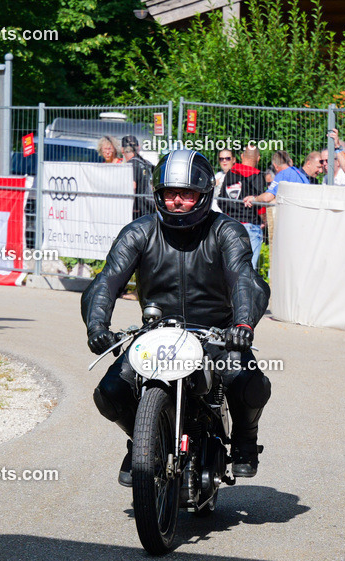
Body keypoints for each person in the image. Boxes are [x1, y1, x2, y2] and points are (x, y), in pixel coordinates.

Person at [82, 149, 272, 484]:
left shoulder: (226, 231)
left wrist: (242, 324)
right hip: (155, 335)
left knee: (248, 381)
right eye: (171, 193)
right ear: (159, 195)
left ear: (202, 195)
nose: (178, 201)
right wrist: (97, 325)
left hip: (216, 335)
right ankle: (144, 442)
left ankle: (244, 439)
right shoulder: (138, 232)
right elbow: (106, 281)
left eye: (187, 194)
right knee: (110, 391)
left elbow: (245, 279)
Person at [217, 145, 266, 269]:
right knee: (249, 268)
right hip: (250, 225)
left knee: (229, 265)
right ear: (258, 158)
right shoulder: (258, 176)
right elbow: (260, 204)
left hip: (230, 225)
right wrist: (264, 220)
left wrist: (231, 215)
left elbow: (220, 201)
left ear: (242, 156)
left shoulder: (231, 173)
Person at [243, 150, 309, 207]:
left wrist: (254, 199)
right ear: (290, 161)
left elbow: (267, 197)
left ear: (275, 166)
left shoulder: (282, 174)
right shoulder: (299, 173)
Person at [122, 135, 154, 219]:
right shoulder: (147, 163)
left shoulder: (131, 165)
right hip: (150, 207)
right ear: (138, 147)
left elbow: (132, 186)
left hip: (137, 209)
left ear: (122, 150)